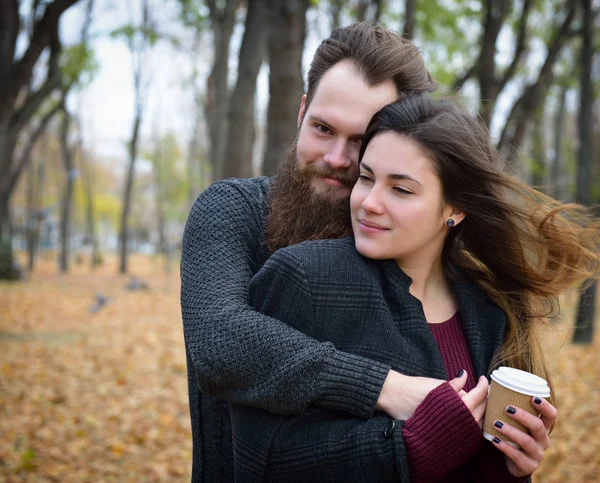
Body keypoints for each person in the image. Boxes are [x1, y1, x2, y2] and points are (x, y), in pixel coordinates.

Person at [230, 95, 600, 482]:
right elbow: (259, 458)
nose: (369, 203)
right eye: (367, 178)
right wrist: (407, 446)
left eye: (400, 190)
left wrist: (509, 466)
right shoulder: (306, 278)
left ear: (454, 209)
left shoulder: (491, 309)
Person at [181, 22, 452, 482]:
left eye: (362, 141)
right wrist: (385, 388)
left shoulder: (406, 241)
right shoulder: (232, 210)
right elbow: (218, 340)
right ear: (302, 111)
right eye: (323, 128)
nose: (338, 158)